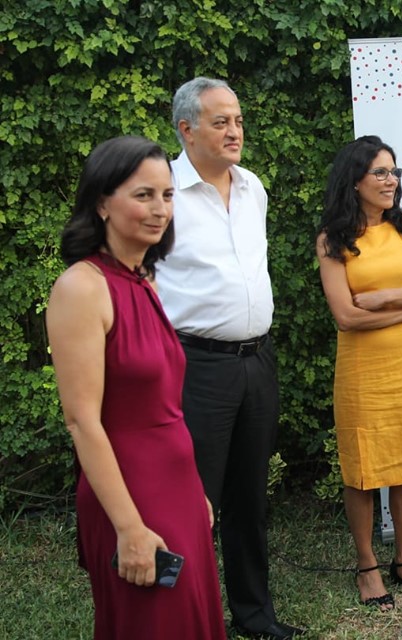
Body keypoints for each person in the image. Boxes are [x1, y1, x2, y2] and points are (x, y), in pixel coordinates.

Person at [46, 136, 226, 639]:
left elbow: (161, 405)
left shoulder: (145, 280)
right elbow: (82, 421)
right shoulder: (82, 288)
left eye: (167, 195)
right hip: (128, 493)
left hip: (176, 486)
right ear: (102, 202)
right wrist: (128, 527)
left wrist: (193, 489)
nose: (160, 209)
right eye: (143, 195)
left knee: (190, 620)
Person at [155, 77, 302, 639]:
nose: (235, 131)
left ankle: (254, 614)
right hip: (196, 365)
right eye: (221, 122)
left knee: (249, 495)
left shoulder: (252, 187)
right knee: (191, 501)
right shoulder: (162, 191)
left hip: (257, 361)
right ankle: (185, 619)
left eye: (238, 120)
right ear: (187, 129)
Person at [316, 135, 402, 610]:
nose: (391, 180)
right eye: (380, 172)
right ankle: (367, 565)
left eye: (394, 171)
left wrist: (381, 297)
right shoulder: (333, 239)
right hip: (363, 371)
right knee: (362, 471)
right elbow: (345, 317)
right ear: (355, 180)